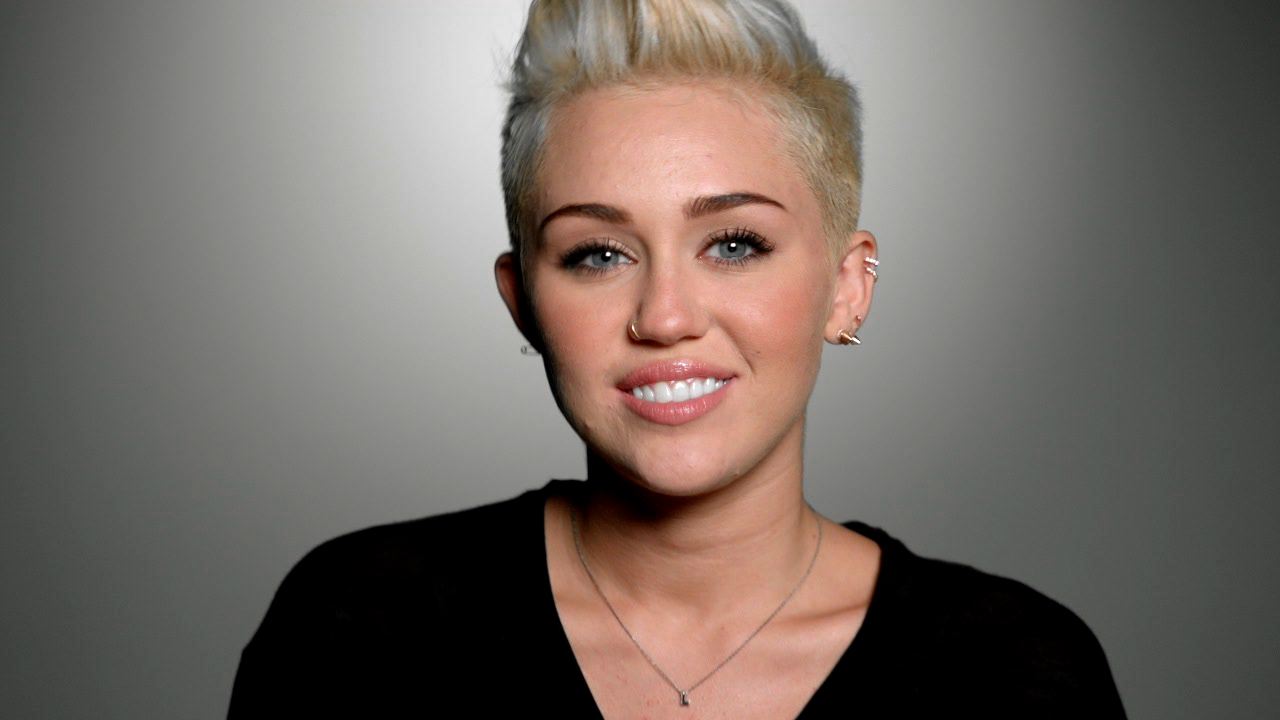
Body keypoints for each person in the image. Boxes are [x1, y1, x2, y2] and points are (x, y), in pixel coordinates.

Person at [228, 1, 1126, 717]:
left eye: (734, 244)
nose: (664, 317)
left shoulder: (1016, 673)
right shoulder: (357, 630)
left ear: (848, 287)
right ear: (523, 300)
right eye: (597, 254)